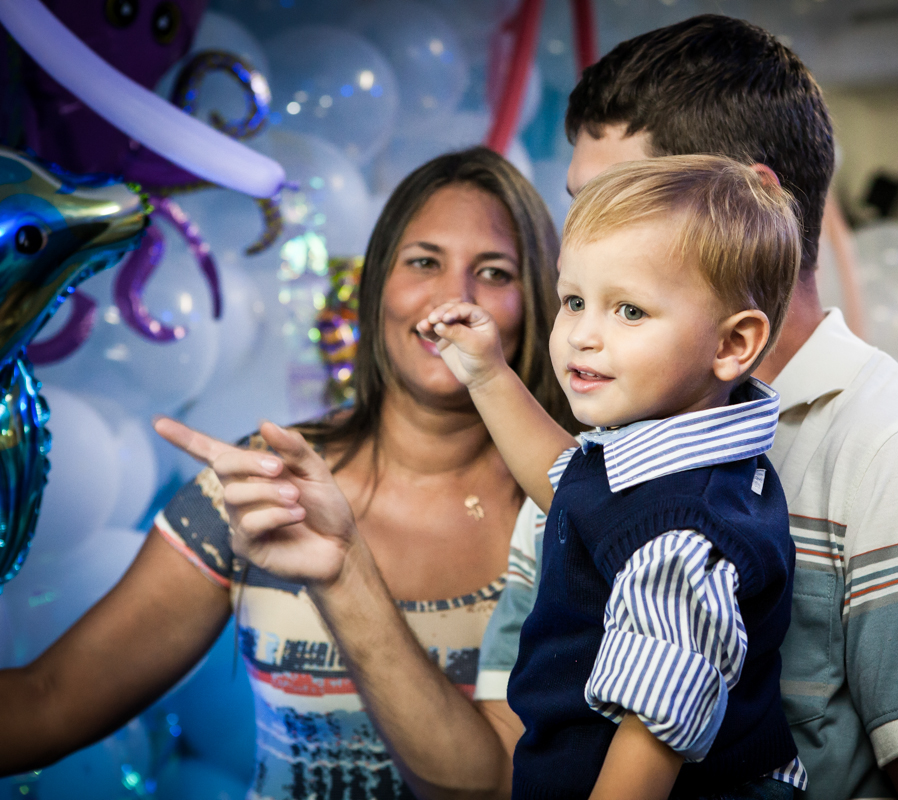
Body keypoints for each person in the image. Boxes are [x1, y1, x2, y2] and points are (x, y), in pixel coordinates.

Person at [476, 16, 898, 800]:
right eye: (581, 210)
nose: (585, 236)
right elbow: (507, 746)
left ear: (754, 202)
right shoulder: (603, 444)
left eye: (620, 201)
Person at [0, 147, 569, 800]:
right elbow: (51, 700)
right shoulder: (265, 485)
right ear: (377, 282)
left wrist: (344, 573)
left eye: (493, 272)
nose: (453, 299)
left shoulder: (564, 506)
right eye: (424, 262)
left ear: (534, 305)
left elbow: (493, 787)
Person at [417, 155, 804, 799]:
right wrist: (488, 375)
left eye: (628, 311)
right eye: (573, 301)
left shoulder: (683, 533)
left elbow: (651, 732)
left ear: (732, 345)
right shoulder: (664, 466)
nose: (583, 336)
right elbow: (570, 488)